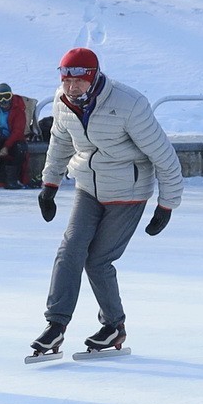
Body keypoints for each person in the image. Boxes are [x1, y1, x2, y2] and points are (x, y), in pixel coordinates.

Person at [31, 47, 183, 356]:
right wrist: (50, 184)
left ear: (94, 77)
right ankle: (55, 327)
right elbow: (60, 142)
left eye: (79, 82)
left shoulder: (130, 105)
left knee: (98, 261)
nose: (72, 88)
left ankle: (113, 324)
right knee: (69, 250)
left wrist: (166, 205)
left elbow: (164, 156)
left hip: (128, 191)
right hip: (88, 186)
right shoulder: (62, 101)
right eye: (66, 80)